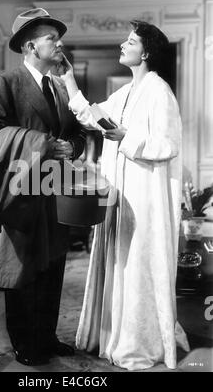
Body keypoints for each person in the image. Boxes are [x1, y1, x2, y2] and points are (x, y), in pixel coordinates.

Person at [60, 20, 190, 370]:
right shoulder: (127, 92)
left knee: (137, 264)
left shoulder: (159, 91)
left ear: (145, 52)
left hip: (145, 197)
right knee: (120, 259)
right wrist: (69, 78)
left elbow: (168, 145)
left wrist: (124, 138)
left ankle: (138, 342)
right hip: (121, 194)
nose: (122, 44)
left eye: (130, 41)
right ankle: (112, 334)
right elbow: (93, 116)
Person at [0, 8, 86, 366]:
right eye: (51, 38)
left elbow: (76, 132)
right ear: (30, 46)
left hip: (56, 191)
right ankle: (24, 343)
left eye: (58, 37)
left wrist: (73, 146)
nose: (60, 43)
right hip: (20, 191)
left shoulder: (58, 86)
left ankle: (47, 335)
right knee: (22, 268)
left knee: (54, 266)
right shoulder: (5, 82)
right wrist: (43, 143)